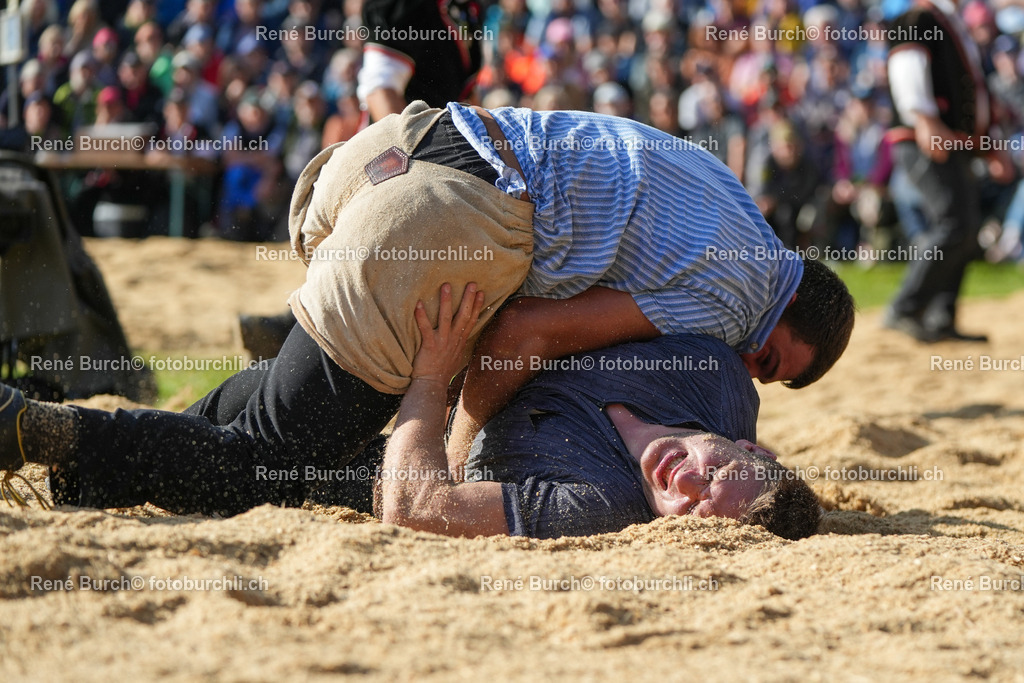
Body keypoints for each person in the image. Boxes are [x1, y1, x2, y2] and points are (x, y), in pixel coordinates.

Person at [0, 101, 853, 520]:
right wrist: (445, 433)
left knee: (281, 411)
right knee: (272, 456)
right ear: (786, 320)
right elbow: (528, 332)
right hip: (453, 217)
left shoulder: (734, 204)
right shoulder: (727, 298)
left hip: (397, 147)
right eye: (771, 360)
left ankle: (99, 475)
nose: (749, 367)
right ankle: (34, 433)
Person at [0, 285, 821, 541]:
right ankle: (81, 477)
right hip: (424, 348)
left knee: (253, 464)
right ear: (745, 439)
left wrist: (433, 385)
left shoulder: (599, 505)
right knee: (248, 402)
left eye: (690, 509)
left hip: (402, 444)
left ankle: (42, 433)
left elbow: (414, 507)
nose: (682, 484)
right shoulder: (710, 372)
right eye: (716, 472)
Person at [882, 0, 1012, 342]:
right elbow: (906, 62)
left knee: (965, 226)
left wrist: (988, 145)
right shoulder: (919, 16)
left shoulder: (949, 20)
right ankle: (905, 307)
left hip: (952, 141)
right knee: (953, 223)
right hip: (925, 136)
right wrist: (924, 118)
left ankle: (941, 317)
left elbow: (972, 94)